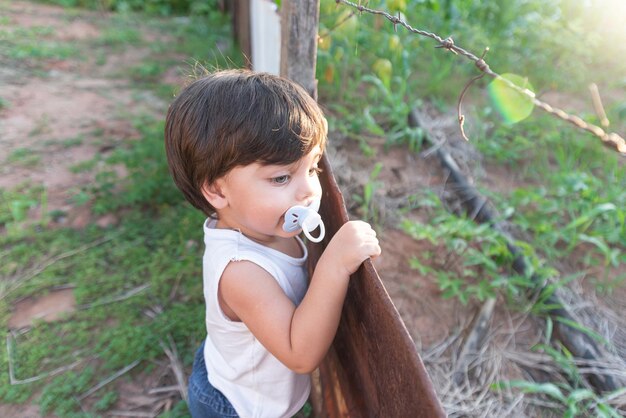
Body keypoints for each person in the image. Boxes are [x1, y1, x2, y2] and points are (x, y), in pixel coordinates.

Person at [164, 69, 381, 418]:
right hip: (237, 406)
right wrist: (335, 264)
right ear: (218, 190)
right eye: (281, 177)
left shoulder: (268, 226)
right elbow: (299, 352)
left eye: (312, 169)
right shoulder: (241, 272)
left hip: (244, 378)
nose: (308, 190)